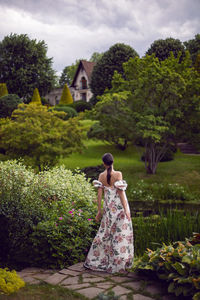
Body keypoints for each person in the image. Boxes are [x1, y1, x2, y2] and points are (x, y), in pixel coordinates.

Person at [84, 153, 134, 273]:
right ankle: (118, 263)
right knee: (120, 234)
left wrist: (99, 211)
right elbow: (121, 193)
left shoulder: (101, 176)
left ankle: (98, 260)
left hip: (109, 209)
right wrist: (126, 210)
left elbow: (100, 195)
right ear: (113, 161)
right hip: (119, 208)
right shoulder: (118, 174)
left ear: (104, 163)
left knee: (106, 233)